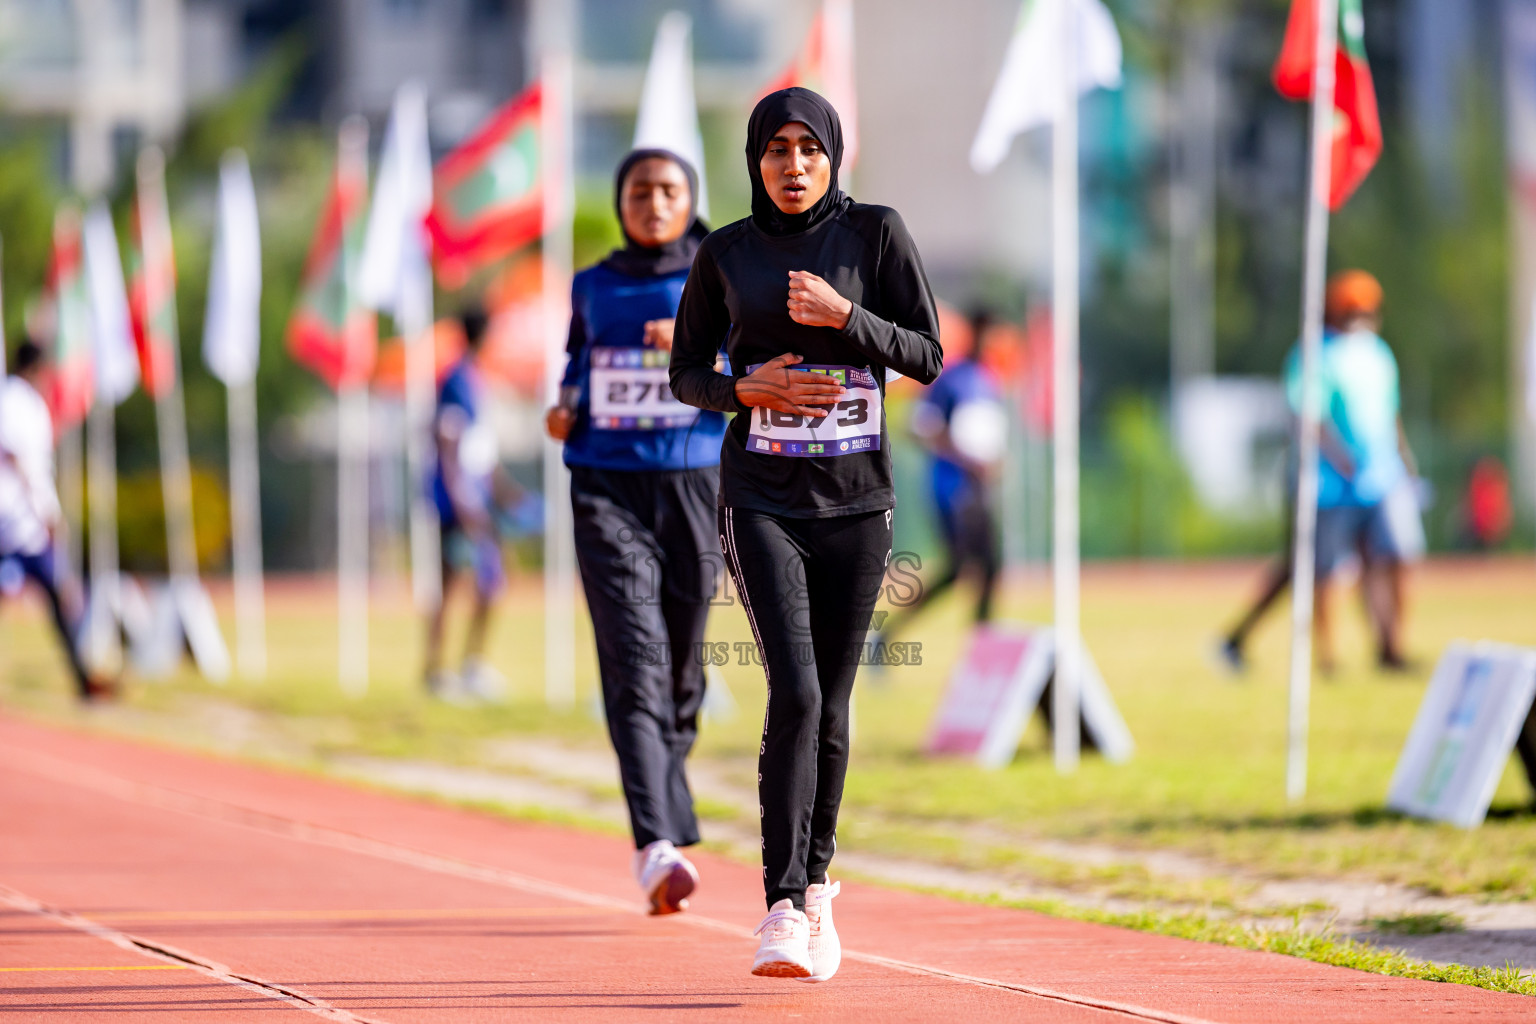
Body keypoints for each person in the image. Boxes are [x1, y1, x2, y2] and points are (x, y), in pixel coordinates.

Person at [670, 87, 942, 981]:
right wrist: (746, 392)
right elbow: (686, 374)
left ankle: (820, 882)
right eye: (776, 150)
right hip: (760, 498)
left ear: (832, 156)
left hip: (859, 503)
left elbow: (928, 356)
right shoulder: (726, 254)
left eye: (809, 150)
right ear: (754, 159)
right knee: (792, 692)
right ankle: (783, 905)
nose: (793, 166)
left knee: (832, 699)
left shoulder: (876, 236)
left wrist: (845, 319)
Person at [545, 148, 724, 916]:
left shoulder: (717, 280)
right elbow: (576, 370)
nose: (654, 202)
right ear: (621, 201)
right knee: (634, 660)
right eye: (640, 190)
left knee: (682, 667)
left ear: (691, 200)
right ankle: (655, 843)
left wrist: (692, 349)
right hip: (605, 487)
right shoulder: (593, 285)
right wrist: (562, 407)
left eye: (669, 190)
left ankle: (665, 803)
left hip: (697, 483)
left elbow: (748, 369)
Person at [1285, 270, 1421, 673]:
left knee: (1398, 557)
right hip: (1332, 484)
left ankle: (1391, 645)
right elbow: (1308, 414)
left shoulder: (1379, 352)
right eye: (1352, 308)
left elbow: (1390, 412)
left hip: (1383, 477)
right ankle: (1328, 656)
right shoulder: (1314, 353)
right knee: (1328, 570)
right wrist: (1338, 456)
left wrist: (1404, 455)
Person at [879, 310, 1005, 647]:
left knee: (992, 566)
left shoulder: (990, 378)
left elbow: (987, 434)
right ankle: (888, 636)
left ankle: (983, 646)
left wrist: (993, 462)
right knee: (960, 568)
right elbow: (920, 427)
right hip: (952, 488)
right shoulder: (952, 379)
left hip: (980, 488)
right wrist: (965, 456)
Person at [0, 340, 111, 700]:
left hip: (25, 524)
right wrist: (45, 510)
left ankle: (84, 676)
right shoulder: (14, 401)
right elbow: (19, 461)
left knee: (60, 595)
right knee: (58, 595)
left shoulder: (27, 403)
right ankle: (83, 675)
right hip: (16, 523)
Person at [424, 308, 518, 701]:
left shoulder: (474, 378)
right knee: (453, 585)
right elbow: (447, 442)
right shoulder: (457, 380)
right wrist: (464, 502)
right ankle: (438, 672)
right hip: (458, 503)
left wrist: (504, 489)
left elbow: (479, 446)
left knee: (489, 582)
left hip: (475, 498)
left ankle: (468, 666)